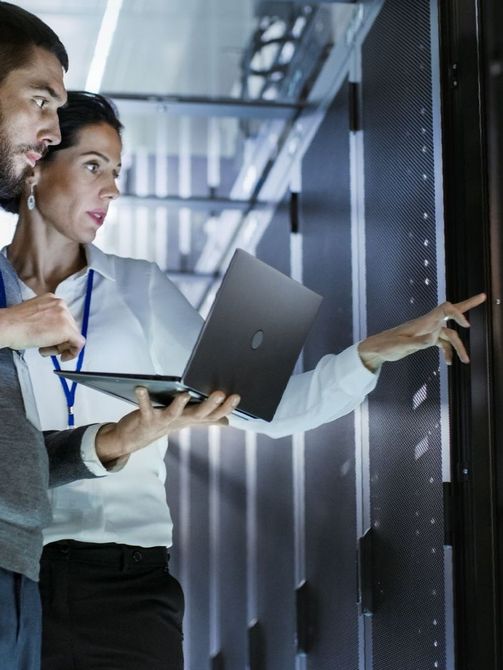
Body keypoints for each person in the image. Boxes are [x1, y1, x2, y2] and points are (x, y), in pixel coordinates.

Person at [0, 89, 486, 670]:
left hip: (127, 584)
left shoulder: (140, 288)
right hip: (15, 576)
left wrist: (369, 354)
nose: (112, 189)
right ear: (38, 165)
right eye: (93, 166)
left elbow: (266, 409)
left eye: (118, 172)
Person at [0, 5, 238, 669]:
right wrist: (11, 326)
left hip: (96, 579)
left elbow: (14, 462)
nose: (46, 129)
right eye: (39, 101)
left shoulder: (139, 286)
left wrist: (112, 443)